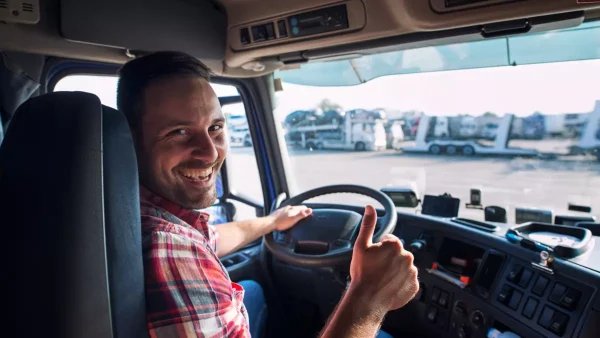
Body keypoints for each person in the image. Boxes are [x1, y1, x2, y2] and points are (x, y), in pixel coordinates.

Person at [117, 51, 419, 338]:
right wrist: (368, 296)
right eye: (179, 132)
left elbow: (211, 238)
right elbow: (181, 248)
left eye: (215, 127)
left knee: (253, 290)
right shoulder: (169, 249)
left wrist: (272, 222)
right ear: (129, 141)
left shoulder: (138, 211)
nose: (210, 153)